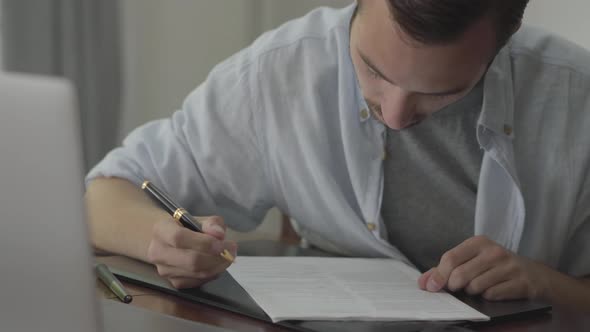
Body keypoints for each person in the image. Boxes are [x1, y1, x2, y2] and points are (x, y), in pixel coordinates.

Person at [85, 0, 590, 310]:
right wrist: (161, 240)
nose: (394, 115)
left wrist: (549, 285)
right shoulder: (279, 74)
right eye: (372, 70)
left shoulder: (575, 100)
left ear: (502, 44)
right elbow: (102, 197)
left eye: (440, 93)